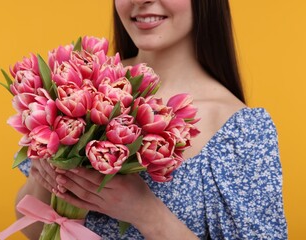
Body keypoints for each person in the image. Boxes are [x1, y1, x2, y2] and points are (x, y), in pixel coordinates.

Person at [15, 0, 288, 239]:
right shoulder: (81, 84)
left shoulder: (241, 130)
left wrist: (146, 212)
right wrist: (49, 175)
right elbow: (35, 231)